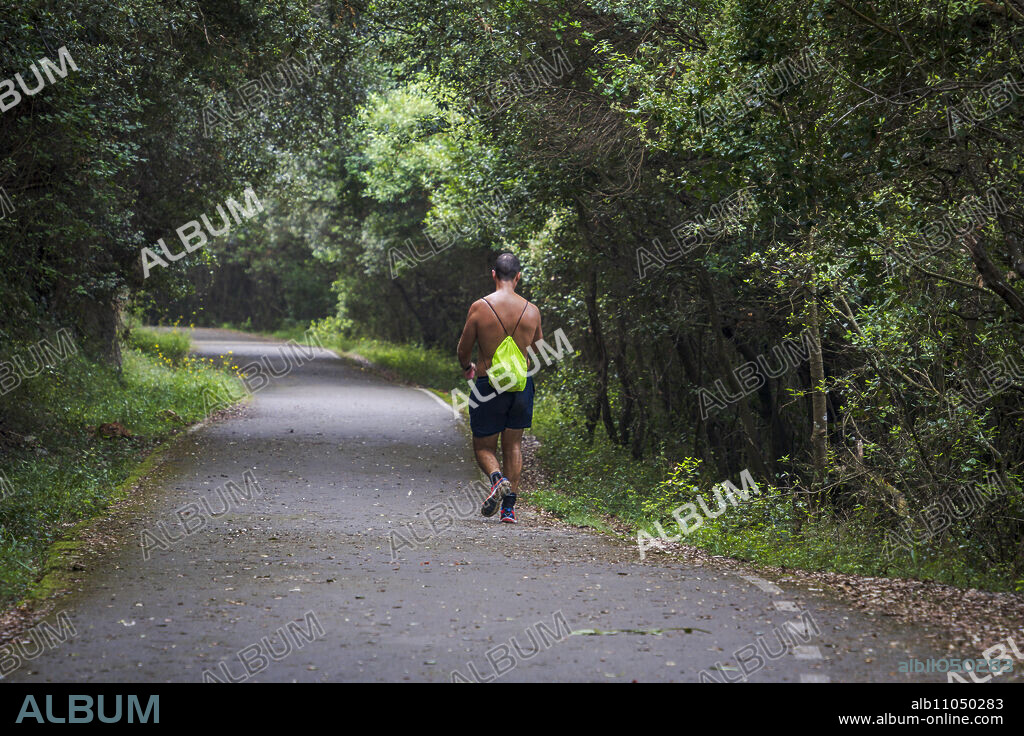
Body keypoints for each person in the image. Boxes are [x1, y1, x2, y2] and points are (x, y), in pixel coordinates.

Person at [456, 253, 542, 524]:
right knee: (513, 444)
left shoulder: (480, 307)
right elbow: (539, 350)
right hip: (521, 385)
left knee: (483, 446)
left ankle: (497, 479)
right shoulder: (532, 310)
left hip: (488, 383)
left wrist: (467, 366)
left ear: (493, 274)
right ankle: (509, 509)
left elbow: (463, 348)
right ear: (518, 277)